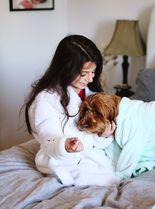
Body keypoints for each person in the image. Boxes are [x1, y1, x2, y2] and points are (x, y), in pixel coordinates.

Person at [24, 35, 119, 186]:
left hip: (89, 154)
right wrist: (65, 145)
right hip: (61, 157)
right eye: (84, 74)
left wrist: (103, 135)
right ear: (66, 68)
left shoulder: (91, 93)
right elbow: (48, 135)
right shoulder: (46, 100)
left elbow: (91, 136)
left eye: (93, 72)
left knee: (114, 175)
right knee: (96, 181)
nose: (90, 79)